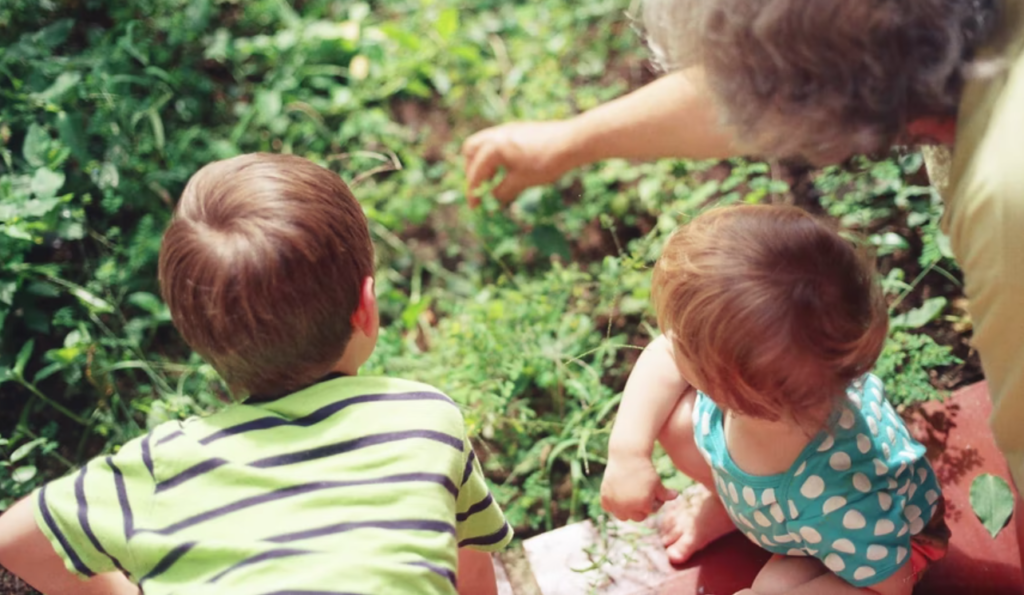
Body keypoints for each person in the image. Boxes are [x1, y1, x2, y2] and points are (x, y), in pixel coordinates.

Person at [463, 0, 1024, 560]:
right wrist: (568, 142)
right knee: (681, 427)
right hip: (773, 496)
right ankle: (732, 504)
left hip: (856, 541)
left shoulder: (1007, 204)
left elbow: (892, 567)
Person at [0, 153, 512, 595]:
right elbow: (471, 580)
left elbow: (13, 541)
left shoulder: (161, 468)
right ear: (367, 308)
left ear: (194, 335)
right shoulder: (425, 421)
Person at [601, 204, 950, 594]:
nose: (670, 345)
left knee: (771, 587)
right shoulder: (768, 391)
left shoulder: (840, 496)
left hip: (886, 548)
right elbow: (665, 356)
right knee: (668, 419)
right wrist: (627, 452)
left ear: (729, 385)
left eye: (683, 343)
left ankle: (747, 518)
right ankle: (730, 506)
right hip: (789, 510)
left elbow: (891, 585)